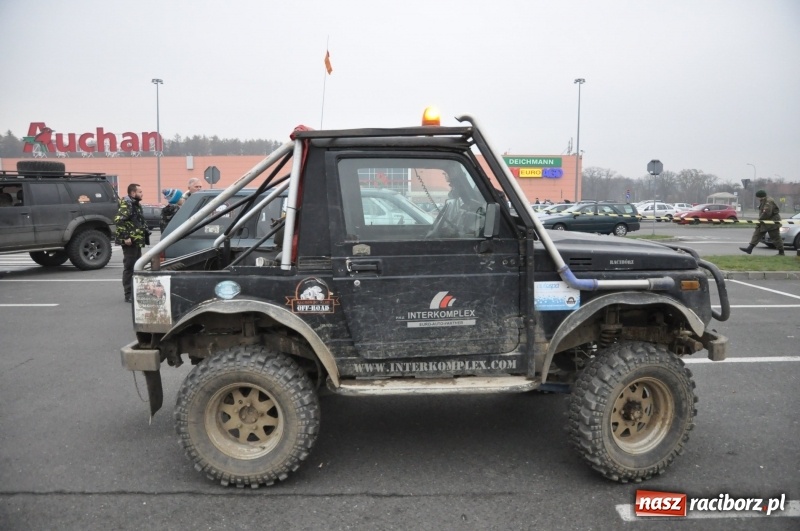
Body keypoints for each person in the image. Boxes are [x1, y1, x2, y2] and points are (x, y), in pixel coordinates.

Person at [115, 183, 150, 302]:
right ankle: (128, 294)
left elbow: (138, 220)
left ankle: (135, 292)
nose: (142, 194)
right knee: (129, 267)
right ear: (133, 193)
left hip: (136, 240)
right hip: (130, 241)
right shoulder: (127, 204)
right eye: (140, 192)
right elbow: (119, 221)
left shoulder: (135, 204)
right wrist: (125, 237)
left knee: (137, 266)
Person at [740, 190, 784, 256]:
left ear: (761, 196)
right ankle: (749, 249)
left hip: (772, 222)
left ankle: (781, 252)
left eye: (758, 197)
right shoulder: (763, 201)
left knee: (775, 237)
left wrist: (759, 220)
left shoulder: (769, 201)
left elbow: (766, 213)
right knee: (757, 234)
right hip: (764, 221)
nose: (757, 199)